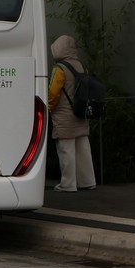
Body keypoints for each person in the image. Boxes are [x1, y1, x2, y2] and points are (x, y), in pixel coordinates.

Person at [48, 34, 96, 192]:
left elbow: (53, 93)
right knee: (83, 148)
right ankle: (88, 181)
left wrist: (49, 106)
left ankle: (68, 184)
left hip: (64, 114)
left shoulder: (60, 68)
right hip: (81, 112)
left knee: (66, 150)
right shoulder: (81, 65)